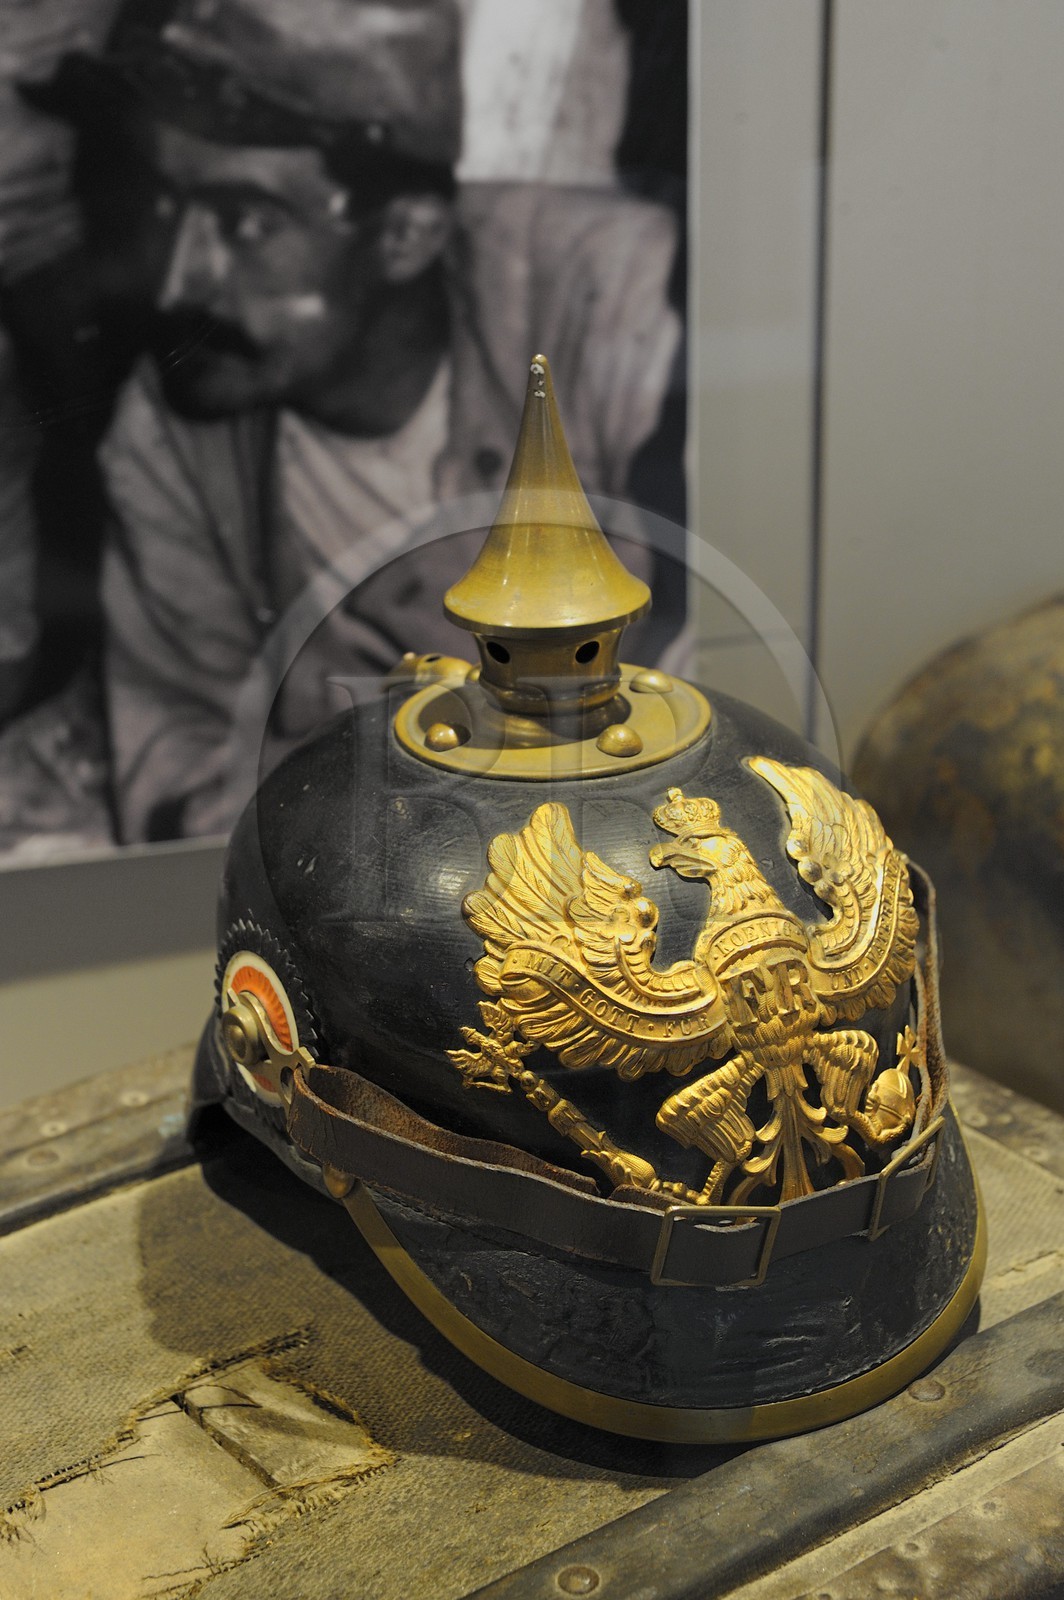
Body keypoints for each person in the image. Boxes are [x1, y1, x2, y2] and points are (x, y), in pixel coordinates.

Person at [22, 0, 683, 843]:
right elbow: (183, 759)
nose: (177, 284)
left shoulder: (614, 296)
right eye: (166, 208)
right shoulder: (174, 428)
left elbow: (721, 699)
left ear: (405, 234)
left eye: (244, 221)